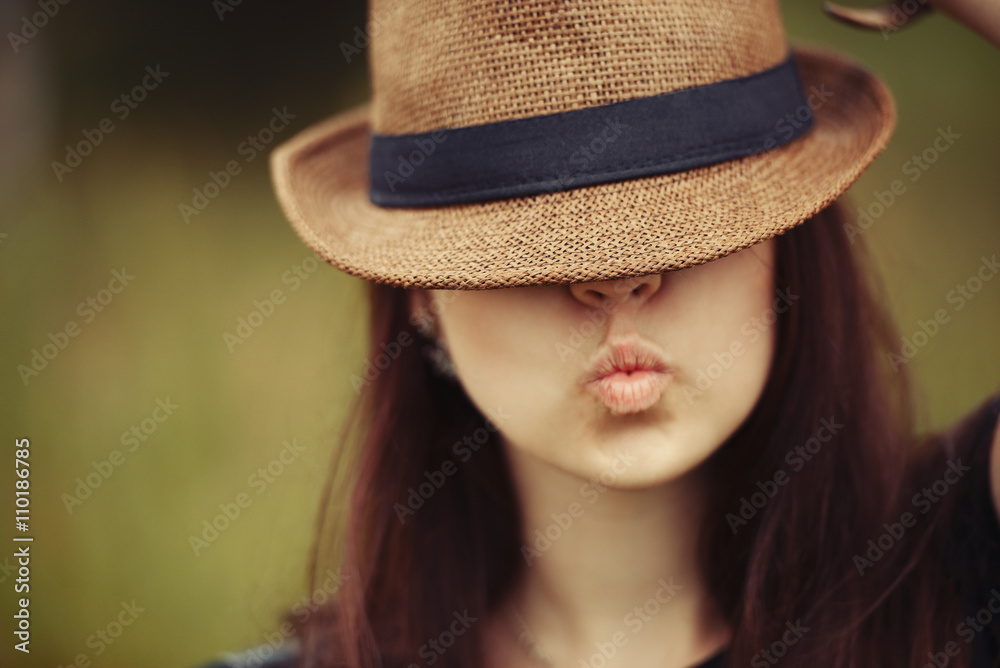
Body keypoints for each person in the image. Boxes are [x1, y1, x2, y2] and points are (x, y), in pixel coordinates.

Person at [202, 0, 1000, 666]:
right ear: (419, 295)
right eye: (529, 237)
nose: (618, 280)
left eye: (688, 210)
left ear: (788, 235)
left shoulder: (942, 597)